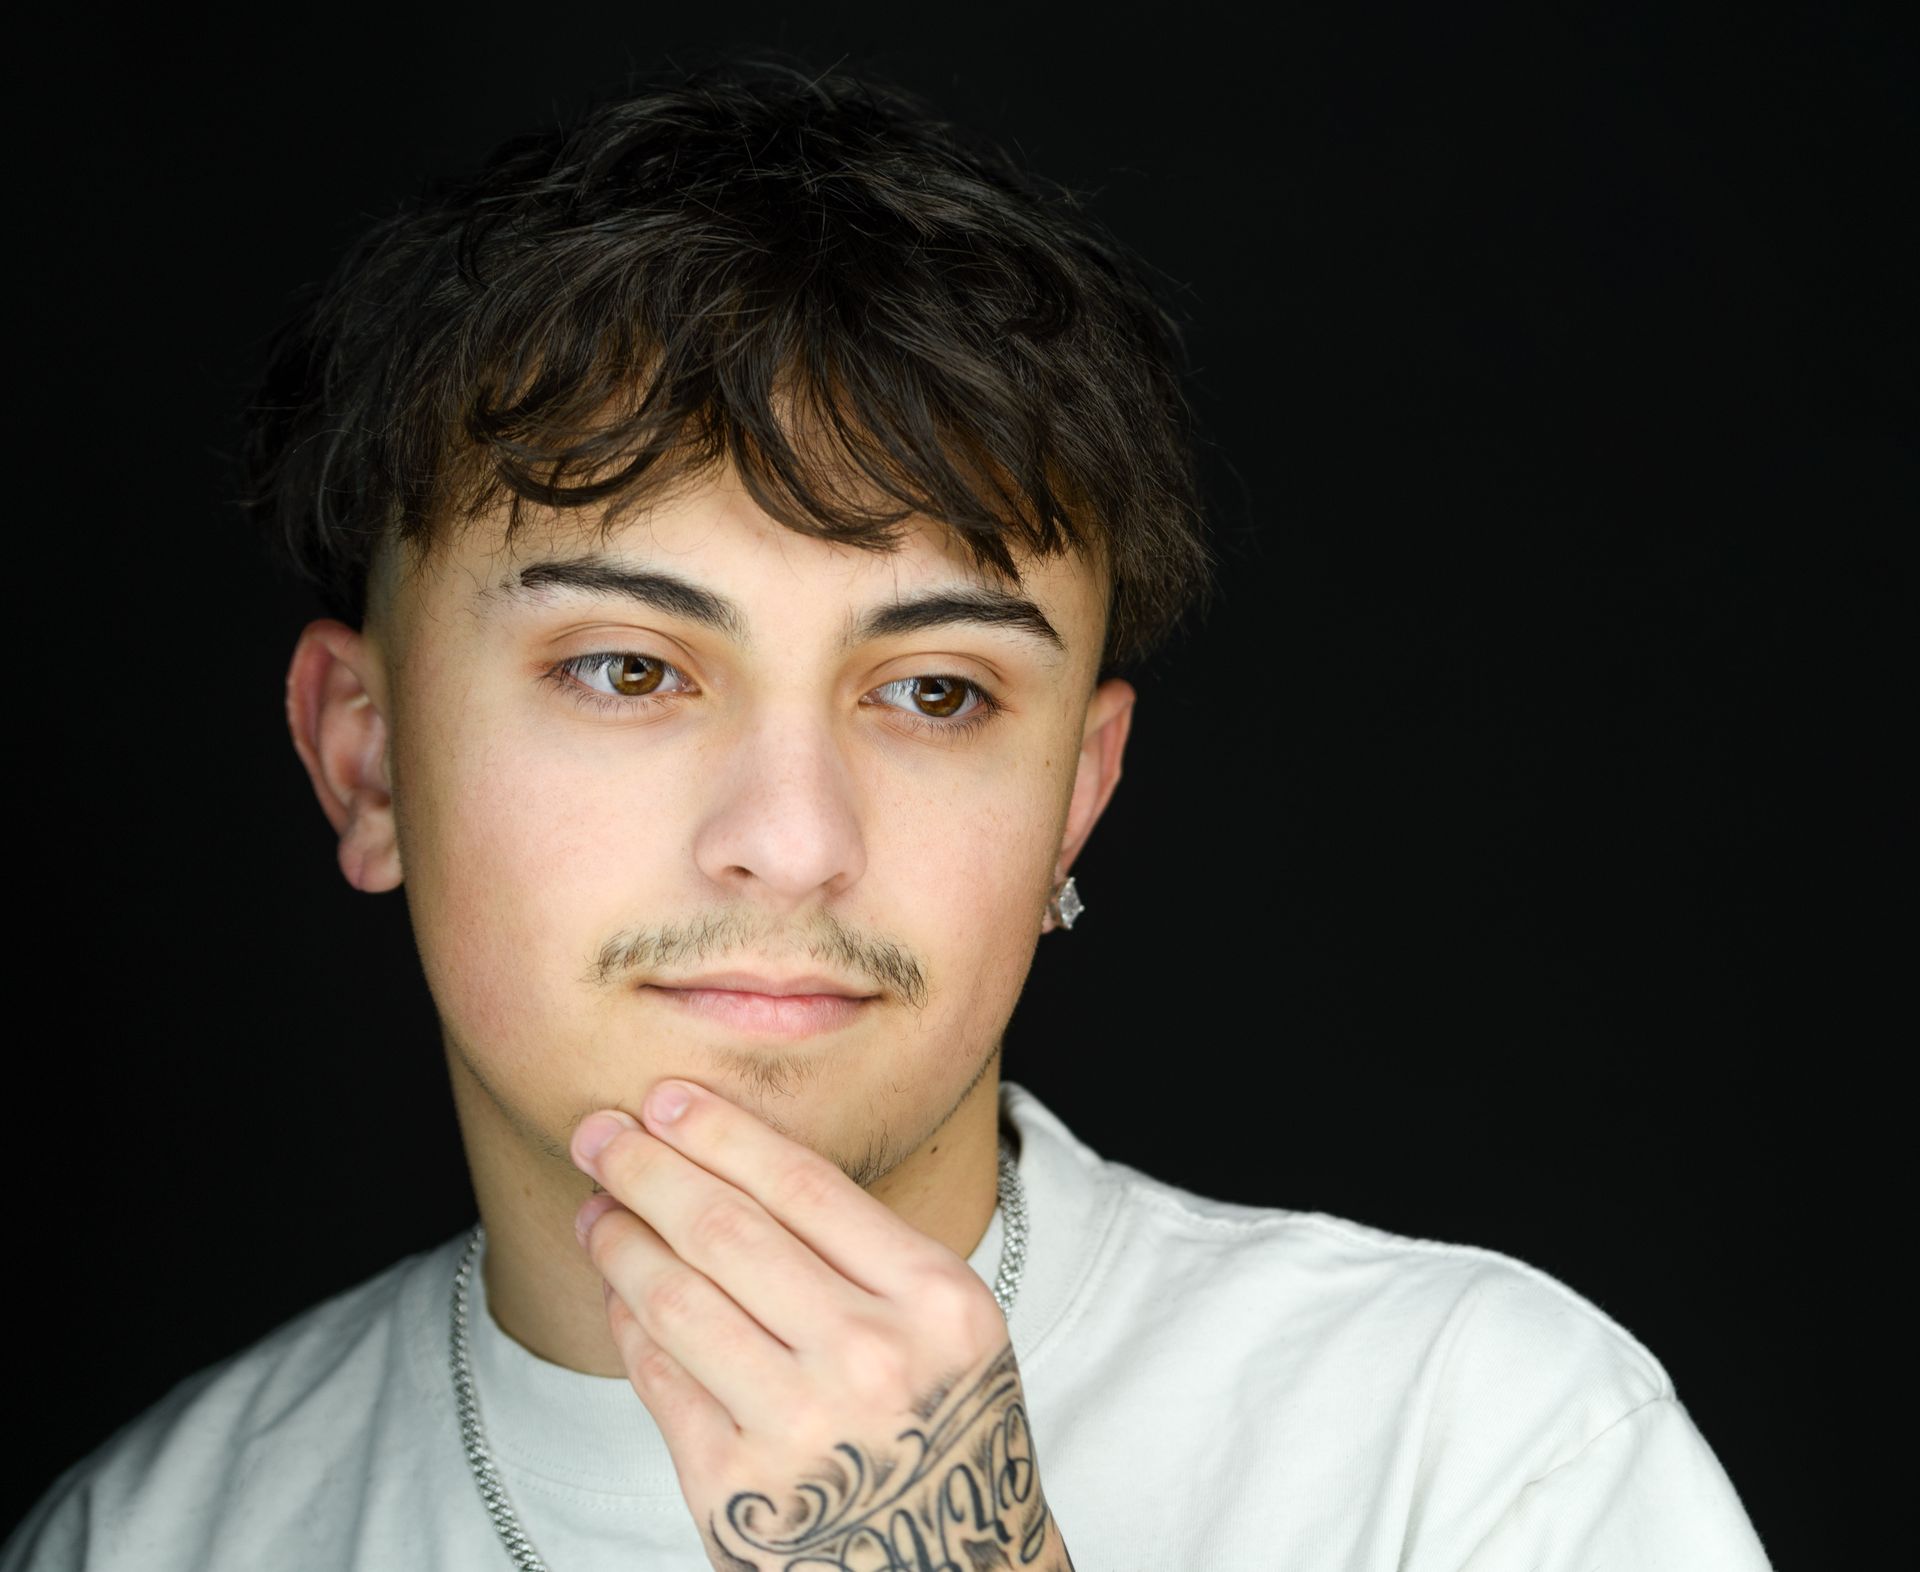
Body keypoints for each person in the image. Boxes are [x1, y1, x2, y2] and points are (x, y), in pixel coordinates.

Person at [3, 59, 1772, 1572]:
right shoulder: (161, 1535)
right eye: (628, 670)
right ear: (368, 759)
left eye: (935, 693)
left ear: (1075, 798)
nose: (792, 837)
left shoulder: (1473, 1457)